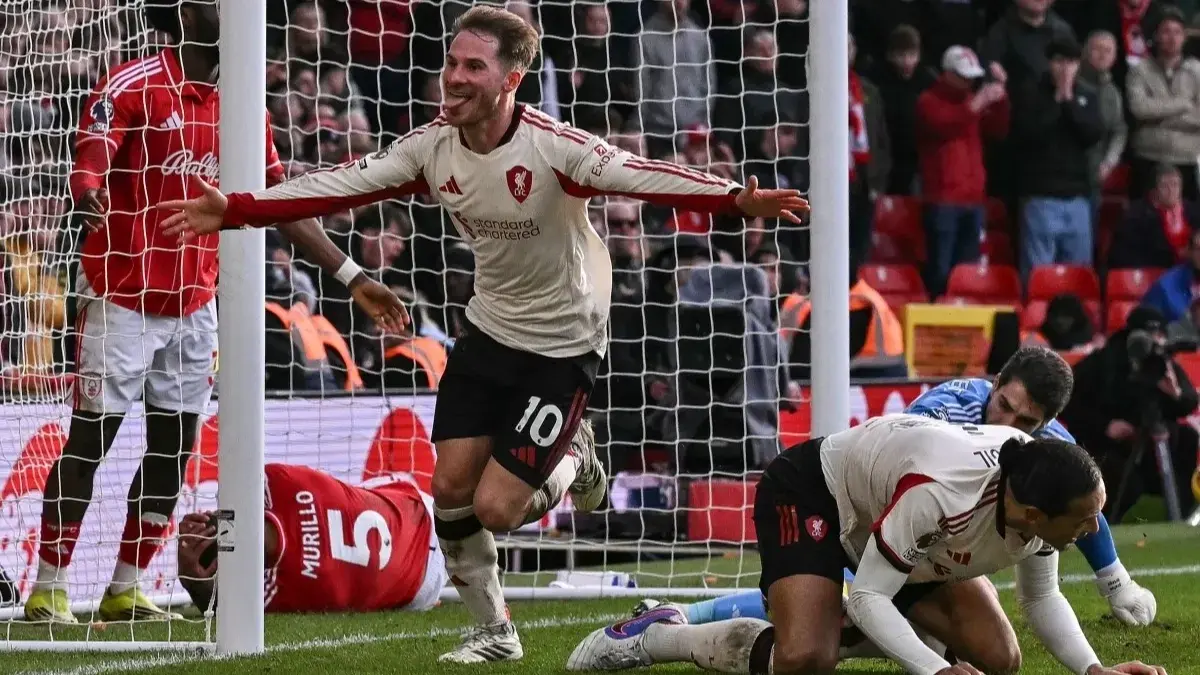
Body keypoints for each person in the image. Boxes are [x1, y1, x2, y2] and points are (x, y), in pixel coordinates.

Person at [158, 5, 808, 663]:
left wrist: (734, 198)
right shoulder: (432, 146)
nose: (455, 77)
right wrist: (236, 208)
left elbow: (641, 175)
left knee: (497, 507)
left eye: (474, 66)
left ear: (511, 80)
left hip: (562, 344)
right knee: (448, 488)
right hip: (490, 329)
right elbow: (339, 186)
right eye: (451, 62)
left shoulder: (554, 148)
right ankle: (495, 631)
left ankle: (575, 457)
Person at [24, 1, 407, 625]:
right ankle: (48, 586)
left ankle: (125, 588)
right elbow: (91, 154)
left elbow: (283, 201)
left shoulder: (244, 106)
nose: (234, 11)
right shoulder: (135, 82)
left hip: (195, 304)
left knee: (174, 446)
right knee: (92, 440)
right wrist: (88, 192)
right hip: (120, 296)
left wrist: (354, 277)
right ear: (186, 15)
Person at [567, 415, 1167, 675]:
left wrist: (1093, 669)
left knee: (999, 658)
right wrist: (934, 669)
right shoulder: (942, 494)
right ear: (1035, 514)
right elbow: (870, 596)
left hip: (897, 528)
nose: (1095, 528)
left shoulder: (1032, 488)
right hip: (817, 492)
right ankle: (659, 634)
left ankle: (853, 631)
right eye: (1086, 519)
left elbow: (1041, 598)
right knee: (806, 659)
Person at [668, 347, 1157, 631]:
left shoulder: (1048, 447)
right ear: (995, 383)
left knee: (987, 649)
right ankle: (687, 616)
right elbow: (902, 499)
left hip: (935, 538)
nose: (1006, 424)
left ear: (1047, 424)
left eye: (1025, 421)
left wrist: (1116, 582)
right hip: (871, 516)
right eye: (1004, 405)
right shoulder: (941, 412)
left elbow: (1078, 505)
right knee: (826, 604)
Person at [175, 463, 445, 614]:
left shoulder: (284, 589)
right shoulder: (278, 481)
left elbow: (227, 616)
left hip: (419, 586)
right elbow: (237, 497)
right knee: (351, 496)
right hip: (416, 509)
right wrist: (211, 521)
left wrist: (193, 584)